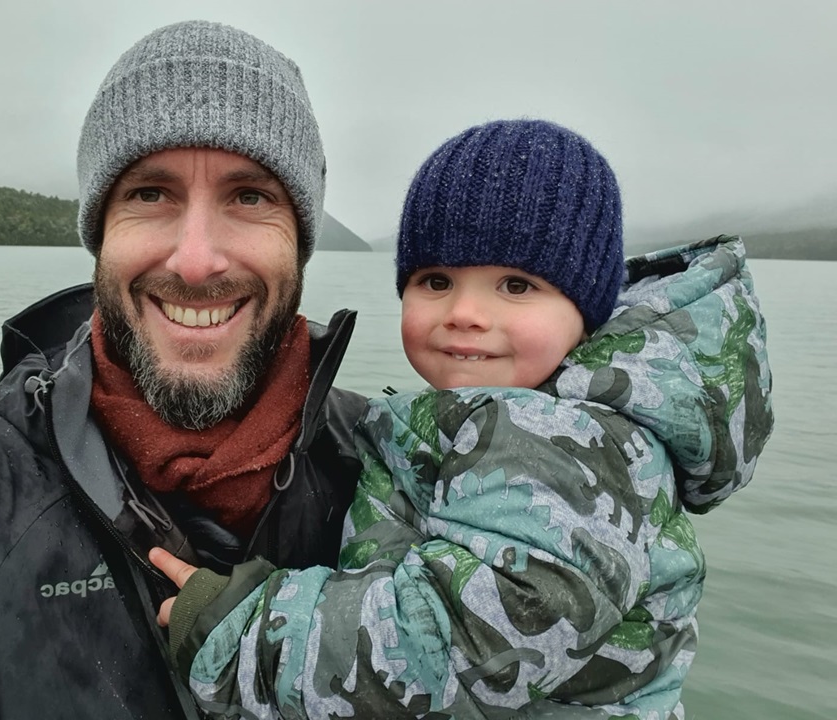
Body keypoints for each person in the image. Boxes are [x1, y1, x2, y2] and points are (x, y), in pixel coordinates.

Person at [153, 119, 775, 718]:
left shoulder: (565, 446)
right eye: (436, 280)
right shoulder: (507, 418)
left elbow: (457, 650)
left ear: (586, 309)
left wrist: (236, 629)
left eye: (516, 285)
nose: (466, 312)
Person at [0, 20, 368, 720]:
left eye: (250, 196)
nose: (196, 260)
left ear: (301, 238)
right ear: (100, 232)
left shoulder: (395, 467)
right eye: (149, 193)